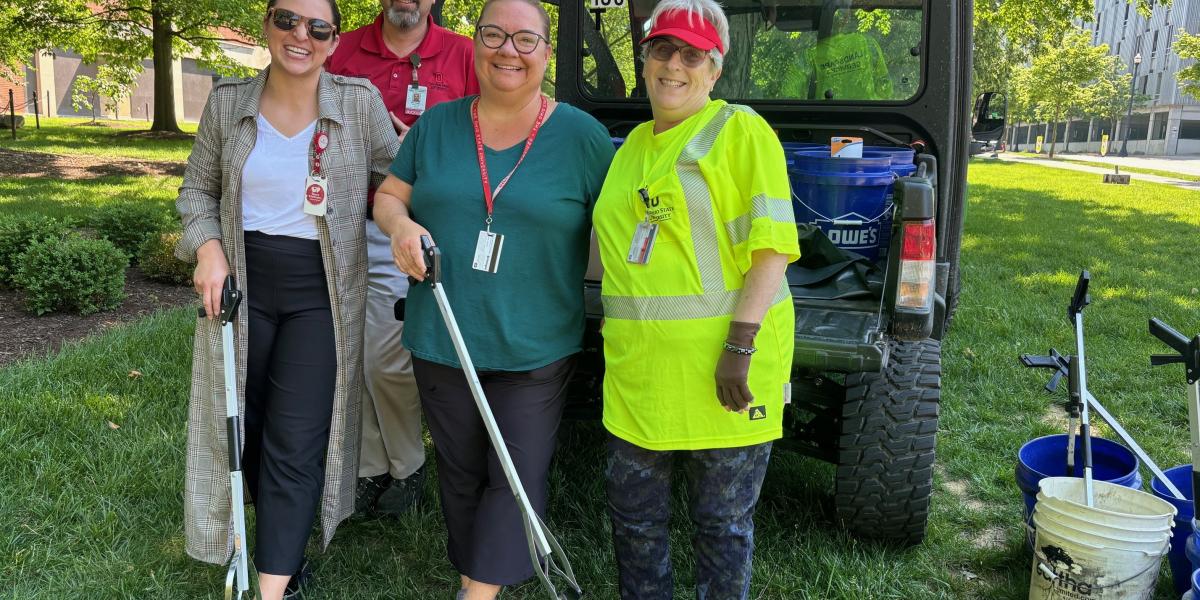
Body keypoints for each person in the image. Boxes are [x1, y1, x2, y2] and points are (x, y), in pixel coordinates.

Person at [372, 0, 614, 596]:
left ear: (547, 54)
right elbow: (388, 198)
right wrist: (401, 227)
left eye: (526, 40)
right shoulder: (437, 125)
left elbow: (625, 227)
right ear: (474, 43)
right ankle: (475, 568)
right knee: (460, 471)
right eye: (494, 35)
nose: (509, 50)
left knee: (515, 472)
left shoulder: (582, 137)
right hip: (443, 334)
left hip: (535, 345)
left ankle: (476, 591)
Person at [176, 0, 399, 597]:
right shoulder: (229, 103)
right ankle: (272, 540)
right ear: (267, 27)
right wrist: (208, 251)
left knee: (296, 437)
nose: (301, 35)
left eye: (317, 27)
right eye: (287, 20)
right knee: (243, 427)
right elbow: (197, 191)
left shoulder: (357, 103)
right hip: (243, 282)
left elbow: (402, 173)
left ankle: (274, 584)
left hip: (320, 291)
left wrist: (411, 217)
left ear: (332, 40)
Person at [591, 0, 800, 598]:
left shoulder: (740, 131)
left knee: (722, 525)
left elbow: (772, 249)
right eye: (663, 49)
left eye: (692, 55)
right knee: (633, 523)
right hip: (638, 375)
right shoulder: (632, 145)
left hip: (724, 374)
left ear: (715, 70)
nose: (674, 65)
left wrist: (741, 344)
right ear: (645, 57)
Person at [327, 0, 479, 518]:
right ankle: (372, 467)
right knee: (350, 352)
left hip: (420, 230)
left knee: (386, 356)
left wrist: (423, 146)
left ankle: (408, 466)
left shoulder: (463, 54)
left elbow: (492, 132)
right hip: (342, 223)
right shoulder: (340, 50)